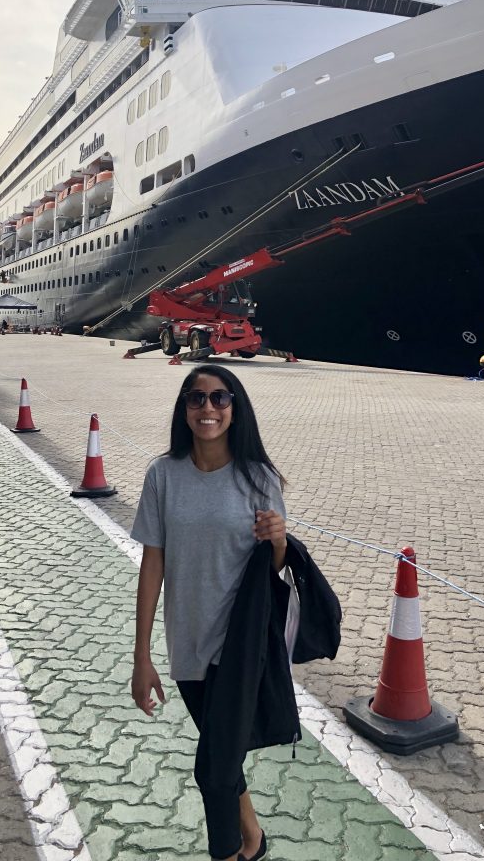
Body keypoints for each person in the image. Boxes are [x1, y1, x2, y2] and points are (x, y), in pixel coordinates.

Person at [130, 364, 288, 861]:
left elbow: (273, 570)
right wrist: (141, 656)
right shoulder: (163, 475)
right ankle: (253, 838)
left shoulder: (258, 478)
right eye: (196, 398)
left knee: (212, 771)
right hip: (188, 642)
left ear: (235, 410)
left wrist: (279, 542)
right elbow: (152, 564)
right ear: (184, 409)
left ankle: (228, 853)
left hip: (241, 645)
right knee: (222, 755)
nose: (208, 408)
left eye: (220, 398)